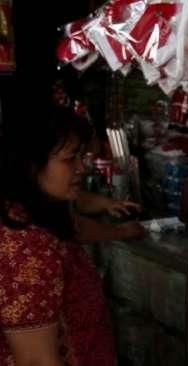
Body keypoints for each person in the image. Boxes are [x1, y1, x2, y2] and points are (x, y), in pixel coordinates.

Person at [0, 103, 116, 365]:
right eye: (69, 159)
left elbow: (76, 226)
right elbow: (36, 360)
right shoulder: (26, 249)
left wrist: (119, 232)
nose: (81, 168)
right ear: (31, 165)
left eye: (80, 157)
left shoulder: (29, 216)